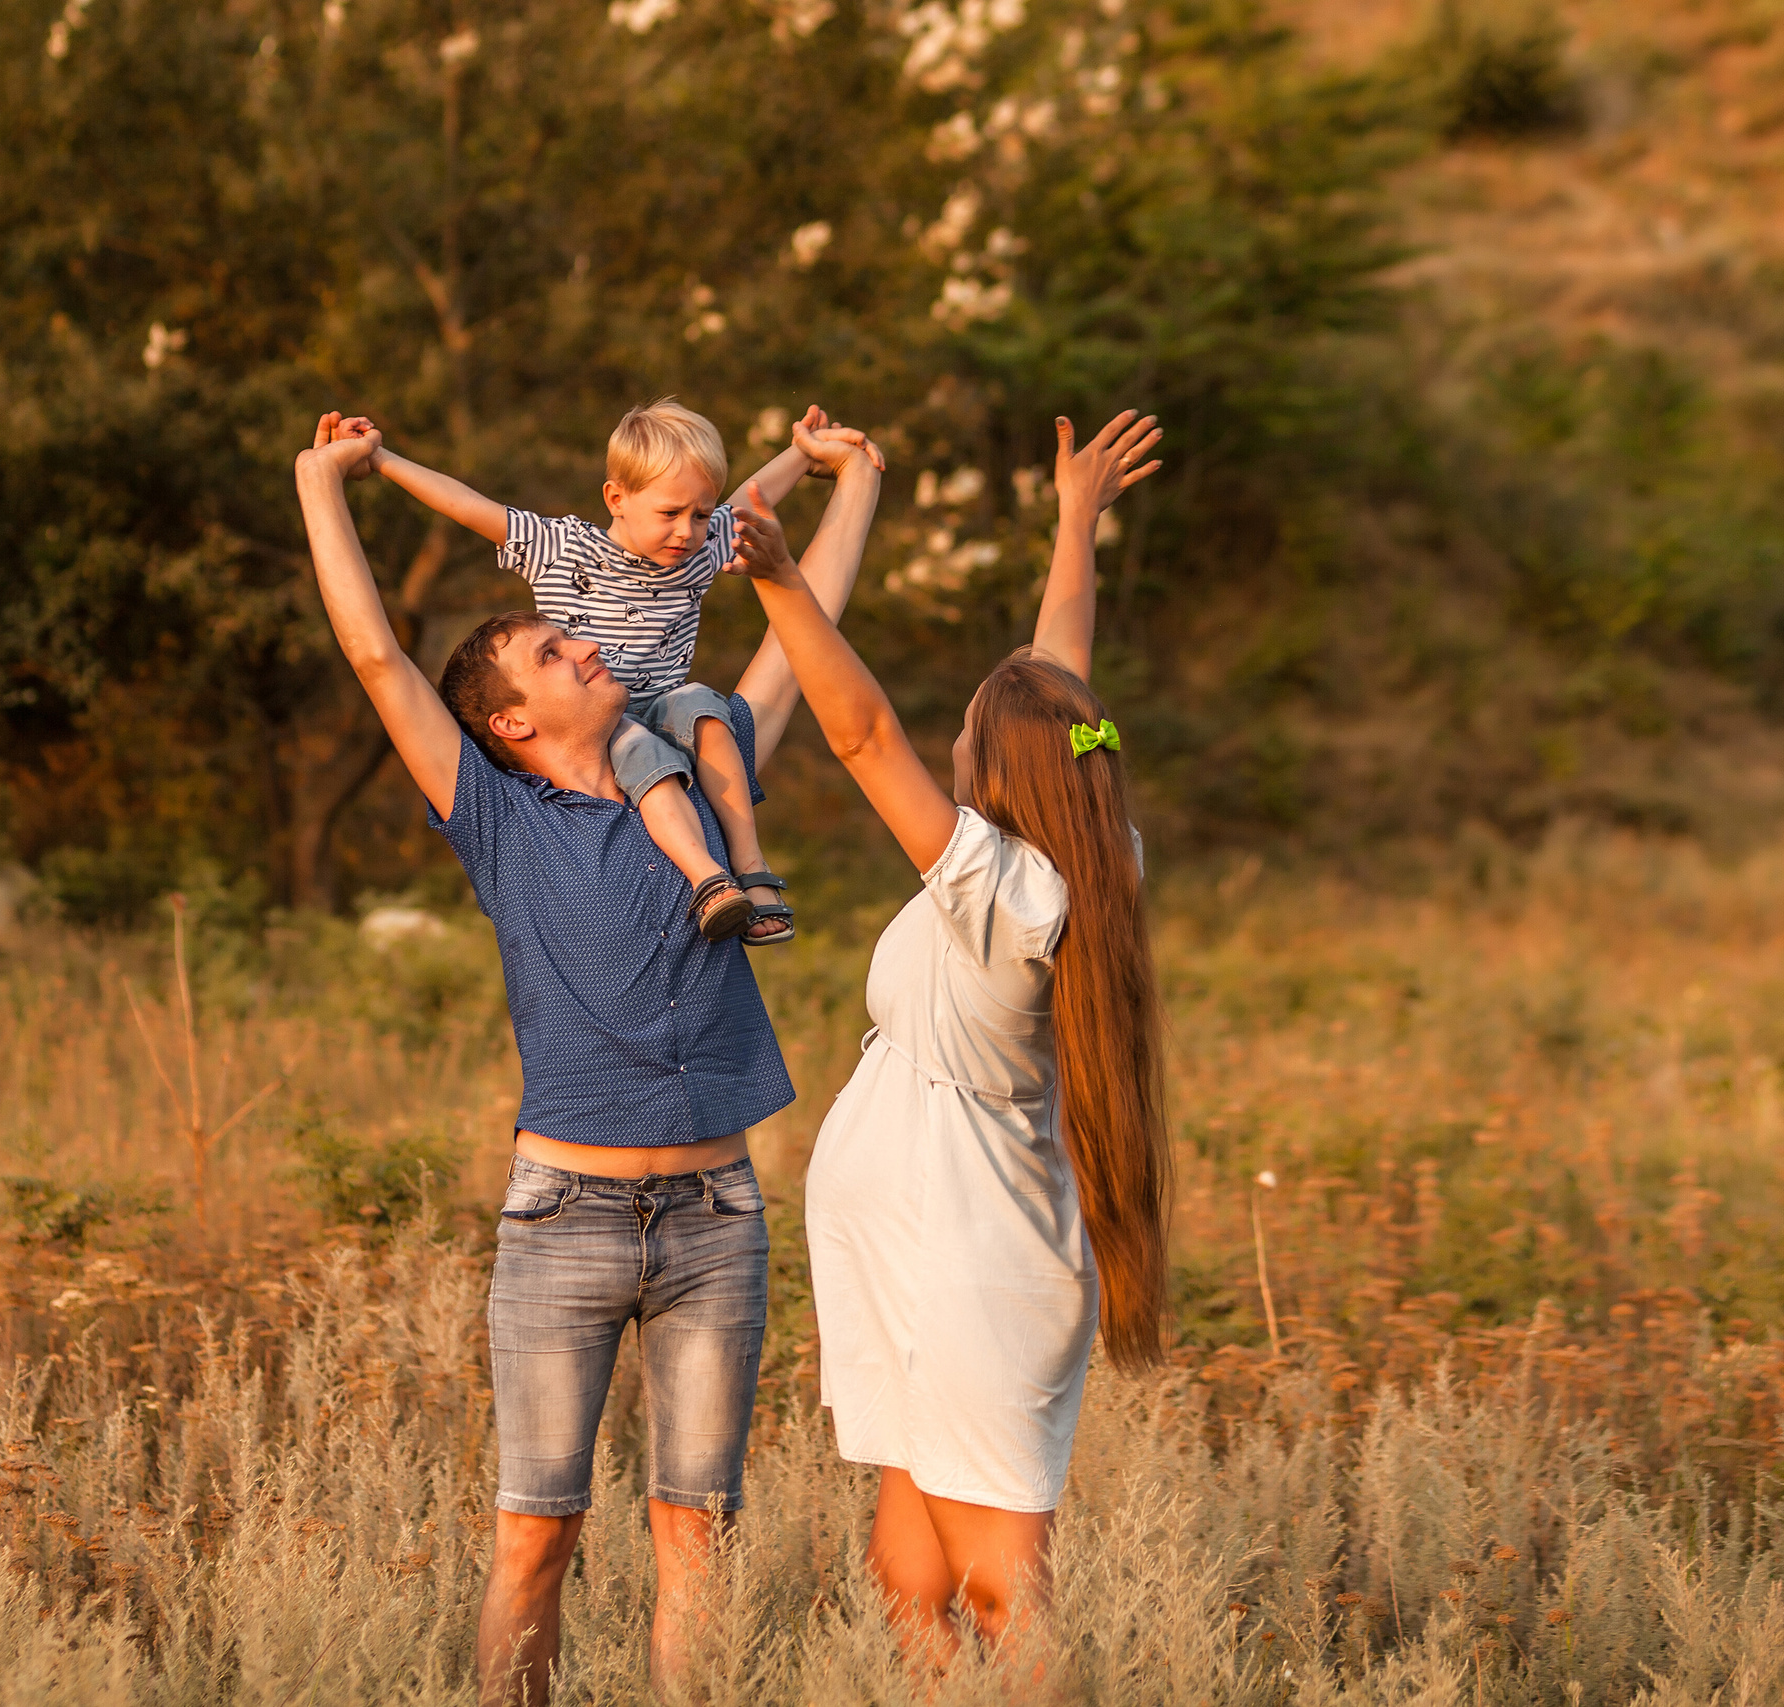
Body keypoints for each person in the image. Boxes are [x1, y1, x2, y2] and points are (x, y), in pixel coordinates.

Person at [290, 408, 884, 1706]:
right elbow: (375, 652)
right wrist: (323, 481)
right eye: (556, 651)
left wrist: (850, 489)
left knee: (696, 1534)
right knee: (535, 1535)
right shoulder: (496, 815)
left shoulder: (704, 773)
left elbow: (806, 629)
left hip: (718, 1216)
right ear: (508, 720)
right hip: (564, 1217)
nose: (589, 643)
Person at [730, 408, 1171, 1666]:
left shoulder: (1005, 890)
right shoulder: (1088, 854)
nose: (957, 742)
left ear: (1002, 771)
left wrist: (783, 582)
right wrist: (1074, 522)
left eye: (972, 732)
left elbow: (862, 733)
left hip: (963, 1270)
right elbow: (1057, 687)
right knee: (908, 1581)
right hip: (930, 1262)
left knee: (1001, 1596)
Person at [347, 399, 884, 946]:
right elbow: (467, 506)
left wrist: (803, 452)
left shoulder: (697, 549)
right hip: (601, 721)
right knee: (642, 750)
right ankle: (708, 880)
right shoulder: (562, 548)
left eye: (701, 515)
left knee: (705, 704)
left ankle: (750, 864)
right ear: (616, 498)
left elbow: (753, 497)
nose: (687, 531)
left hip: (668, 710)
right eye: (670, 513)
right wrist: (383, 459)